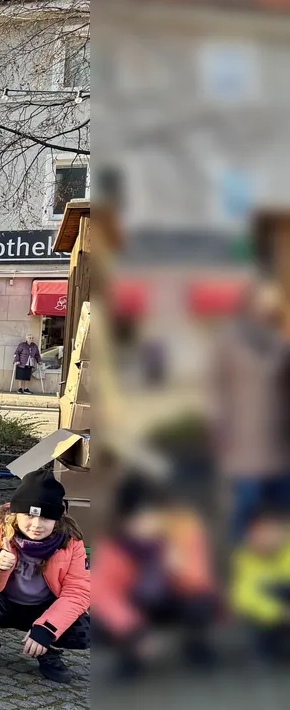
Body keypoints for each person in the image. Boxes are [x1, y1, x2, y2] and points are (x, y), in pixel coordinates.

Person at [0, 468, 91, 684]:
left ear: (58, 518)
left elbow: (78, 592)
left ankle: (49, 651)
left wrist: (48, 629)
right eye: (29, 515)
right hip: (2, 601)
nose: (36, 525)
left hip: (44, 607)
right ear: (15, 513)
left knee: (85, 630)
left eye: (46, 518)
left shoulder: (72, 540)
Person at [95, 478, 217, 675]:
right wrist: (134, 631)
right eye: (138, 517)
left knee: (202, 603)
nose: (147, 522)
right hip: (138, 606)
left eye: (152, 514)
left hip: (175, 600)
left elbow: (201, 581)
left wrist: (178, 566)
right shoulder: (114, 545)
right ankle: (130, 656)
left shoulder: (183, 530)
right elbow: (104, 595)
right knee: (101, 625)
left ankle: (196, 644)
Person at [213, 289, 290, 541]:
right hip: (243, 447)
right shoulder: (230, 346)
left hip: (278, 447)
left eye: (271, 311)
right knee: (246, 509)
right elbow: (217, 391)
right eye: (260, 309)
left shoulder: (282, 346)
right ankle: (240, 566)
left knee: (280, 515)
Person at [230, 509, 290, 661]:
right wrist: (279, 613)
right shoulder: (244, 557)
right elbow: (243, 595)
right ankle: (268, 649)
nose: (267, 537)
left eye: (271, 531)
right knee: (257, 603)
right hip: (273, 614)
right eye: (260, 532)